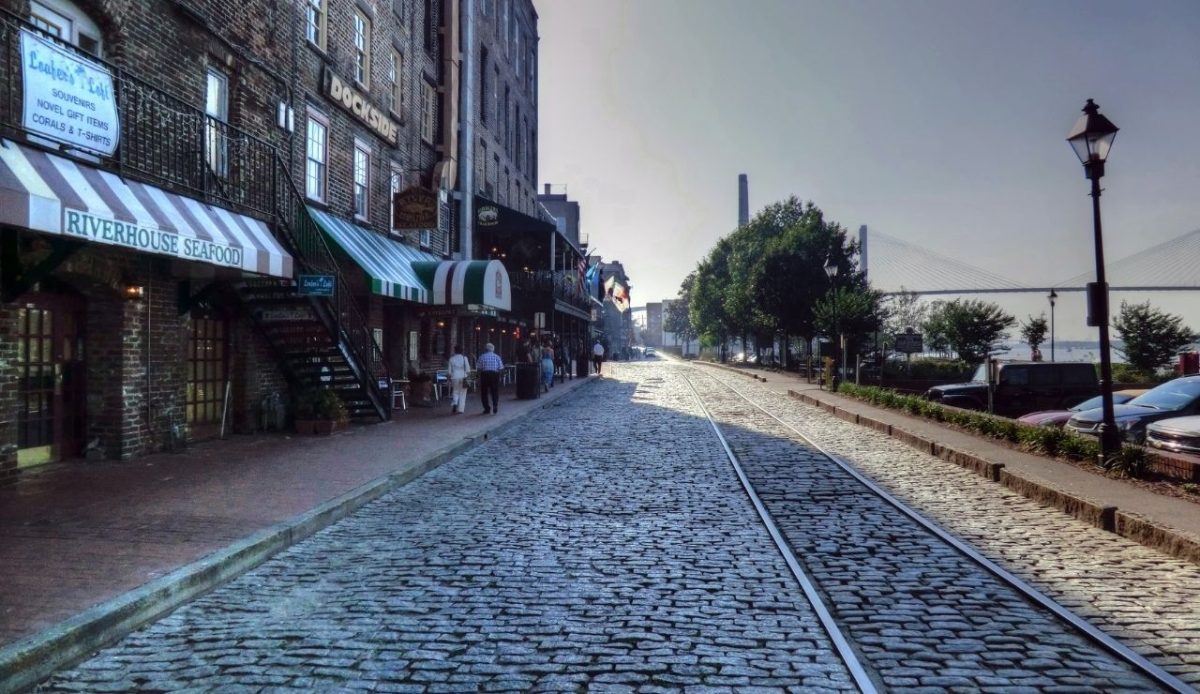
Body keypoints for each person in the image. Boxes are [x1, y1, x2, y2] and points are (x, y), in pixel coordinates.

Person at [477, 342, 503, 414]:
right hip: (494, 374)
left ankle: (487, 408)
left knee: (484, 392)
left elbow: (478, 369)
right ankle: (495, 405)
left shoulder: (482, 357)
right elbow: (500, 368)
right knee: (494, 391)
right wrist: (500, 377)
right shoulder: (497, 357)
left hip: (484, 374)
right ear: (493, 349)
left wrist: (476, 378)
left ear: (486, 349)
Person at [447, 345, 470, 414]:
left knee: (455, 390)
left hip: (454, 376)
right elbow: (468, 370)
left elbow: (449, 371)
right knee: (463, 393)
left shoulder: (451, 359)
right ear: (462, 351)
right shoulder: (464, 358)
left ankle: (455, 402)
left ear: (455, 351)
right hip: (463, 376)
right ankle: (461, 409)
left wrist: (449, 377)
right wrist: (468, 376)